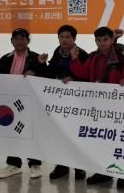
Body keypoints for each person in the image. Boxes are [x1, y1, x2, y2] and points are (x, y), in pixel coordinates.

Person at [69, 26, 124, 189]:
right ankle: (104, 171)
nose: (102, 43)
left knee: (120, 140)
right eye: (98, 40)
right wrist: (74, 59)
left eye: (105, 39)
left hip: (119, 106)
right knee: (103, 140)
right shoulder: (93, 57)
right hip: (98, 106)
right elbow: (83, 73)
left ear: (111, 40)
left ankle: (123, 174)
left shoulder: (121, 56)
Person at [0, 28, 44, 179]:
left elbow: (46, 76)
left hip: (29, 102)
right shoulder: (5, 58)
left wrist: (38, 68)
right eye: (16, 39)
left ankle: (35, 164)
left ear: (28, 41)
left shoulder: (36, 58)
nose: (19, 42)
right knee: (11, 132)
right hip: (9, 103)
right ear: (12, 41)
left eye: (22, 38)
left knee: (31, 132)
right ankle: (14, 164)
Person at [38, 24, 89, 181]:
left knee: (76, 134)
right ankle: (62, 166)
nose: (64, 40)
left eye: (68, 37)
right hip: (60, 101)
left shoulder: (82, 54)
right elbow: (51, 73)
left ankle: (80, 167)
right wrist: (42, 64)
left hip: (77, 102)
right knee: (60, 134)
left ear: (74, 38)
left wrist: (74, 79)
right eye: (61, 37)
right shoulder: (57, 52)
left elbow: (87, 77)